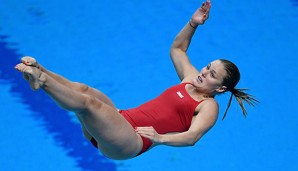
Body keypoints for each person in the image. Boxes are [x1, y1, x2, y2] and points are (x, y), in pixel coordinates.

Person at [15, 0, 258, 160]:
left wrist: (160, 139)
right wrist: (193, 24)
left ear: (221, 88)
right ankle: (39, 69)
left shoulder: (208, 106)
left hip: (131, 141)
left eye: (211, 75)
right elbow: (178, 50)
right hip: (122, 120)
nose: (203, 72)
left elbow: (192, 137)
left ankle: (42, 81)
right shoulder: (190, 79)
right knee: (84, 90)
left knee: (91, 105)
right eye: (207, 67)